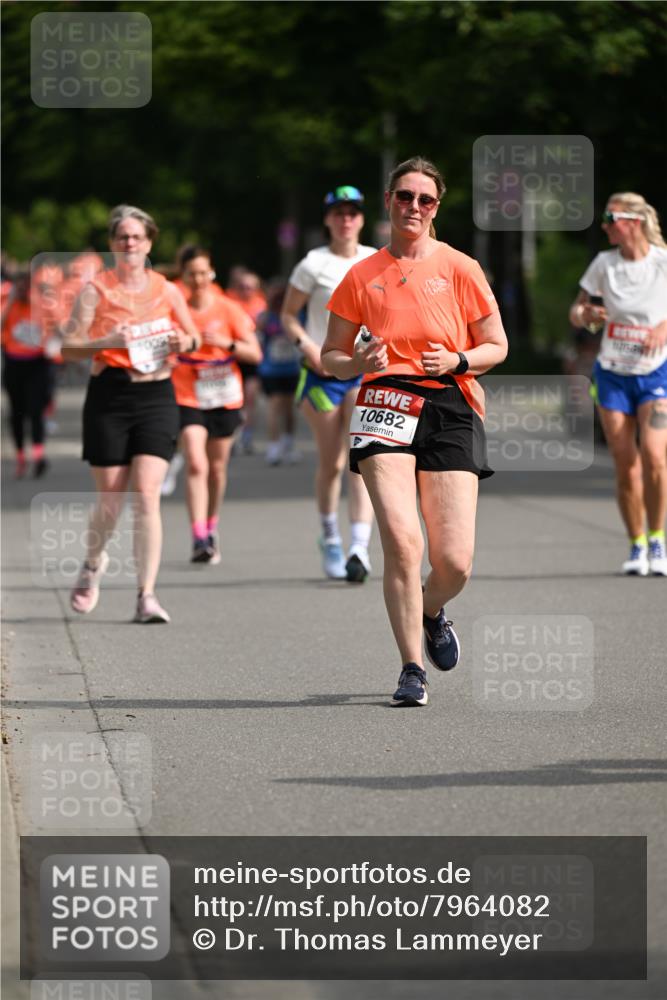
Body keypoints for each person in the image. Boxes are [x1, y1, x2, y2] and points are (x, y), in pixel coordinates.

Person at [322, 157, 508, 706]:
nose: (414, 207)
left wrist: (456, 358)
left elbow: (496, 346)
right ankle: (410, 670)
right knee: (402, 542)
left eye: (425, 200)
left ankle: (430, 610)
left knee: (454, 560)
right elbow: (331, 354)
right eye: (405, 197)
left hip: (451, 401)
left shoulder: (460, 267)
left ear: (436, 208)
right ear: (389, 201)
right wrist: (356, 360)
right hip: (384, 400)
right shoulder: (361, 275)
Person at [61, 204, 201, 622]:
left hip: (156, 394)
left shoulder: (167, 289)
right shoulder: (96, 290)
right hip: (110, 395)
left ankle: (147, 595)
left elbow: (193, 336)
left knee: (147, 496)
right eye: (122, 237)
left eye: (137, 237)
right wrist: (108, 339)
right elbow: (68, 346)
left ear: (149, 242)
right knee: (110, 502)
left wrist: (183, 340)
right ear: (112, 244)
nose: (129, 244)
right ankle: (92, 563)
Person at [281, 185, 376, 583]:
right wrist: (308, 347)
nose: (346, 219)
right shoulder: (312, 264)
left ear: (361, 219)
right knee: (332, 461)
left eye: (353, 212)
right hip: (322, 375)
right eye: (338, 212)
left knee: (360, 457)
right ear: (327, 220)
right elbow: (287, 315)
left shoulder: (376, 261)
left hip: (360, 370)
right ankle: (331, 537)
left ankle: (359, 546)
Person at [569, 192, 667, 576]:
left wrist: (664, 326)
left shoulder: (662, 262)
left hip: (655, 372)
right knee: (626, 464)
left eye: (611, 217)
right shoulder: (604, 264)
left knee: (656, 458)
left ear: (634, 220)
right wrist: (588, 313)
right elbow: (577, 313)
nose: (605, 224)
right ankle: (636, 543)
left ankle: (657, 539)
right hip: (611, 374)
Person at [172, 246, 262, 563]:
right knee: (196, 462)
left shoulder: (228, 308)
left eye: (203, 272)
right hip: (187, 393)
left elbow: (255, 354)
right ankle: (198, 536)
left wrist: (227, 344)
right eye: (191, 273)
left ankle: (211, 526)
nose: (197, 279)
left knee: (217, 469)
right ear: (182, 275)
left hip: (223, 395)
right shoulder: (176, 309)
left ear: (211, 273)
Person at [1, 270, 54, 477]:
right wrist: (11, 300)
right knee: (16, 413)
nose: (23, 290)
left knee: (35, 411)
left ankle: (38, 455)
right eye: (19, 286)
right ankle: (21, 457)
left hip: (37, 364)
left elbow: (57, 327)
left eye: (26, 286)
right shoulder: (7, 302)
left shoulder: (41, 304)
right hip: (14, 363)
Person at [256, 282, 302, 465]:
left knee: (290, 409)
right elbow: (258, 337)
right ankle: (274, 446)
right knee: (275, 407)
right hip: (272, 370)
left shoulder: (296, 317)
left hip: (292, 369)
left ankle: (287, 443)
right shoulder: (265, 317)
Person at [227, 268, 267, 454]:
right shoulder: (230, 304)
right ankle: (233, 436)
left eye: (250, 287)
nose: (246, 291)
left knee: (250, 397)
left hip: (254, 358)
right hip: (233, 359)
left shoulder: (262, 305)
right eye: (242, 287)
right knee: (236, 399)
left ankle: (246, 435)